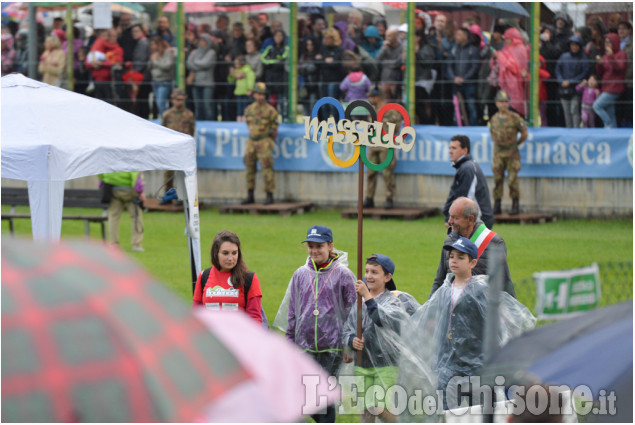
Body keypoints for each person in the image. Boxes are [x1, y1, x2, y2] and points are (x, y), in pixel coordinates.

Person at [403, 236, 534, 411]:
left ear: (472, 263)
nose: (454, 261)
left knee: (481, 411)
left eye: (460, 257)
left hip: (477, 366)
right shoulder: (444, 290)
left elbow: (496, 327)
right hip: (448, 366)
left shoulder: (481, 290)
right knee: (447, 413)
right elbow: (438, 324)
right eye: (451, 257)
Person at [274, 225, 357, 423]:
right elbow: (292, 310)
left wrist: (349, 344)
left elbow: (353, 311)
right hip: (305, 346)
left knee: (324, 397)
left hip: (332, 347)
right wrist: (290, 340)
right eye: (311, 246)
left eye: (319, 246)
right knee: (305, 396)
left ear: (330, 246)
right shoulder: (301, 274)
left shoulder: (343, 275)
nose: (314, 251)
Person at [341, 254, 407, 423]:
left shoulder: (393, 301)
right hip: (362, 363)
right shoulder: (359, 301)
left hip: (385, 364)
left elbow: (381, 319)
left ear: (387, 277)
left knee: (378, 407)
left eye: (375, 272)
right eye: (367, 271)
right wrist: (351, 341)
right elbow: (347, 329)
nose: (369, 276)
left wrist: (367, 297)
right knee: (366, 412)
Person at [432, 197, 515, 298]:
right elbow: (439, 281)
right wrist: (428, 309)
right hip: (450, 309)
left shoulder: (494, 242)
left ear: (470, 219)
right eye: (450, 216)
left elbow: (504, 283)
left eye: (455, 218)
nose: (450, 221)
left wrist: (511, 312)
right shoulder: (449, 241)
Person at [192, 230, 263, 323]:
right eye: (225, 253)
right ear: (216, 253)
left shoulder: (249, 278)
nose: (230, 258)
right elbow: (196, 313)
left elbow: (255, 319)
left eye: (234, 253)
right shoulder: (203, 276)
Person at [489, 90, 528, 216]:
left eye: (506, 102)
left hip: (512, 153)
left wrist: (516, 144)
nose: (504, 105)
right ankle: (497, 205)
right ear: (496, 103)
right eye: (501, 102)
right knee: (497, 179)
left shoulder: (515, 118)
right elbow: (492, 133)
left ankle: (515, 205)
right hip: (498, 153)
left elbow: (524, 133)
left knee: (512, 180)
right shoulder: (494, 119)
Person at [443, 135, 494, 228]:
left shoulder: (467, 168)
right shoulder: (465, 166)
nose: (450, 151)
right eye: (449, 148)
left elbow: (464, 199)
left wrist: (452, 218)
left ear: (465, 150)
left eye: (454, 148)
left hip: (478, 221)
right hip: (474, 219)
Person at [242, 82, 279, 205]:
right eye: (258, 94)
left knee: (267, 169)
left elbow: (274, 129)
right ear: (254, 95)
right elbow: (248, 124)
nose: (260, 97)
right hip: (251, 140)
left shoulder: (271, 110)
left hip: (264, 140)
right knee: (249, 168)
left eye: (262, 94)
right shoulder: (249, 109)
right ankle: (250, 195)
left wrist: (268, 140)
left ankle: (269, 195)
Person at [363, 109, 402, 210]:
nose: (371, 100)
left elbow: (397, 127)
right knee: (370, 172)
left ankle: (389, 198)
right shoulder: (372, 110)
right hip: (373, 145)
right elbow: (368, 127)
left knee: (387, 173)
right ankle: (369, 198)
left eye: (373, 97)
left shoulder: (391, 111)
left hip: (386, 146)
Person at [98, 171, 145, 252]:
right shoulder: (132, 159)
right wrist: (140, 191)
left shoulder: (109, 159)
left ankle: (114, 244)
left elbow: (101, 173)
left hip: (113, 190)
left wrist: (102, 184)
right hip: (130, 190)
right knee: (136, 217)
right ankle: (136, 244)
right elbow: (136, 174)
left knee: (113, 217)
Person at [161, 89, 195, 194]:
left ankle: (182, 196)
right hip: (171, 148)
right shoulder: (167, 115)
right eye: (177, 100)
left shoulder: (189, 115)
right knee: (168, 173)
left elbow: (192, 131)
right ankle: (168, 194)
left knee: (183, 173)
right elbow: (163, 130)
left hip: (183, 148)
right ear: (172, 100)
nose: (179, 102)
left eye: (181, 100)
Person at [447, 27, 480, 126]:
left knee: (471, 107)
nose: (456, 37)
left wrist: (464, 79)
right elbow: (448, 65)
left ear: (465, 37)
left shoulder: (473, 50)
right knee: (456, 107)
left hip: (469, 84)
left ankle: (473, 127)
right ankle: (457, 126)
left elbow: (475, 67)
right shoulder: (453, 49)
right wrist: (453, 78)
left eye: (459, 35)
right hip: (456, 84)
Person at [492, 27, 528, 117]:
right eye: (505, 38)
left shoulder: (520, 49)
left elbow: (515, 68)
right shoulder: (506, 48)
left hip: (516, 84)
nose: (506, 41)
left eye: (508, 38)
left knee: (514, 108)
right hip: (505, 84)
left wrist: (499, 56)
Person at [593, 33, 627, 128]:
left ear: (615, 43)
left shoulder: (621, 54)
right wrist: (599, 64)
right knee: (610, 111)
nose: (607, 44)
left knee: (597, 106)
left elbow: (619, 69)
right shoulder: (605, 56)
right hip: (606, 86)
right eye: (606, 42)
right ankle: (612, 131)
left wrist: (611, 56)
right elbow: (601, 72)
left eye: (609, 42)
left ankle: (608, 124)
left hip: (615, 87)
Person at [555, 35, 589, 129]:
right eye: (572, 45)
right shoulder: (563, 56)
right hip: (564, 89)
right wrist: (561, 80)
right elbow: (558, 69)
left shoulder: (583, 58)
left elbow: (584, 73)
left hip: (576, 89)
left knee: (574, 111)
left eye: (576, 45)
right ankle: (568, 130)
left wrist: (571, 81)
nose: (574, 47)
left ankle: (576, 129)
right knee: (566, 112)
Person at [86, 28, 123, 104]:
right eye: (109, 36)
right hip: (97, 81)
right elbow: (88, 61)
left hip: (109, 82)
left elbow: (116, 62)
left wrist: (101, 63)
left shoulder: (118, 49)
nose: (110, 38)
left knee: (109, 104)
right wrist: (92, 63)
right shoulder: (100, 47)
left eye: (113, 36)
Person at [186, 33, 216, 121]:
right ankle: (199, 123)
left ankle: (209, 123)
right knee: (198, 106)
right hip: (196, 82)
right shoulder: (194, 52)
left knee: (207, 106)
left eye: (204, 41)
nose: (201, 42)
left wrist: (195, 63)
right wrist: (199, 64)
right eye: (200, 40)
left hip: (207, 84)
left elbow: (206, 64)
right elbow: (188, 64)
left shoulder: (211, 53)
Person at [148, 35, 175, 118]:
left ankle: (167, 122)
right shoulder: (154, 54)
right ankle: (164, 120)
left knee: (161, 103)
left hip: (164, 81)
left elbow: (167, 66)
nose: (152, 47)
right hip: (155, 80)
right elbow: (149, 67)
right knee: (158, 103)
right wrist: (151, 61)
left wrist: (155, 61)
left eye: (153, 44)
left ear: (158, 44)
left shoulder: (167, 52)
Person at [376, 28, 404, 103]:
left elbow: (398, 63)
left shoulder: (402, 47)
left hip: (396, 80)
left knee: (397, 103)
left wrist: (385, 63)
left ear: (396, 36)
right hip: (384, 79)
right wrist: (384, 49)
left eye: (389, 36)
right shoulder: (385, 47)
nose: (387, 39)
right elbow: (377, 61)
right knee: (385, 104)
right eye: (386, 36)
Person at [228, 55, 256, 122]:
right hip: (239, 92)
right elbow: (231, 80)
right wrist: (231, 75)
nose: (235, 65)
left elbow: (251, 79)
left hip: (246, 92)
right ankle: (239, 120)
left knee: (245, 107)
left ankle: (245, 120)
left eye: (236, 63)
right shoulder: (237, 70)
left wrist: (250, 89)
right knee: (239, 107)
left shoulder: (248, 70)